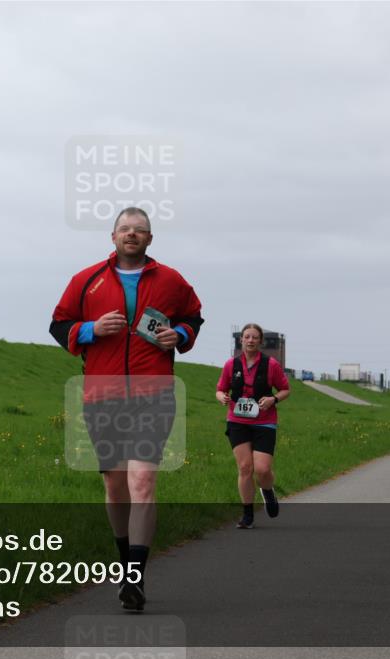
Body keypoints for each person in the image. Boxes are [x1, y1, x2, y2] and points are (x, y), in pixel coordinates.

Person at [50, 206, 203, 612]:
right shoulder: (86, 280)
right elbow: (59, 323)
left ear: (150, 239)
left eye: (140, 230)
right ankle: (125, 566)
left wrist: (181, 333)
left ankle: (134, 578)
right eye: (125, 229)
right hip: (103, 395)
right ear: (112, 236)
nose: (131, 235)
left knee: (143, 482)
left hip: (154, 394)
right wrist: (90, 330)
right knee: (115, 486)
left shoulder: (171, 279)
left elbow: (193, 317)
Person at [216, 324, 291, 528]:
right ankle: (247, 515)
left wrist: (273, 399)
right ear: (241, 340)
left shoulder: (271, 365)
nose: (250, 340)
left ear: (260, 341)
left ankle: (267, 491)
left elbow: (285, 389)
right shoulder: (231, 365)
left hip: (264, 422)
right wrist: (222, 397)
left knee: (262, 469)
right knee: (244, 467)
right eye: (247, 337)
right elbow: (220, 389)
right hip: (237, 421)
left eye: (254, 337)